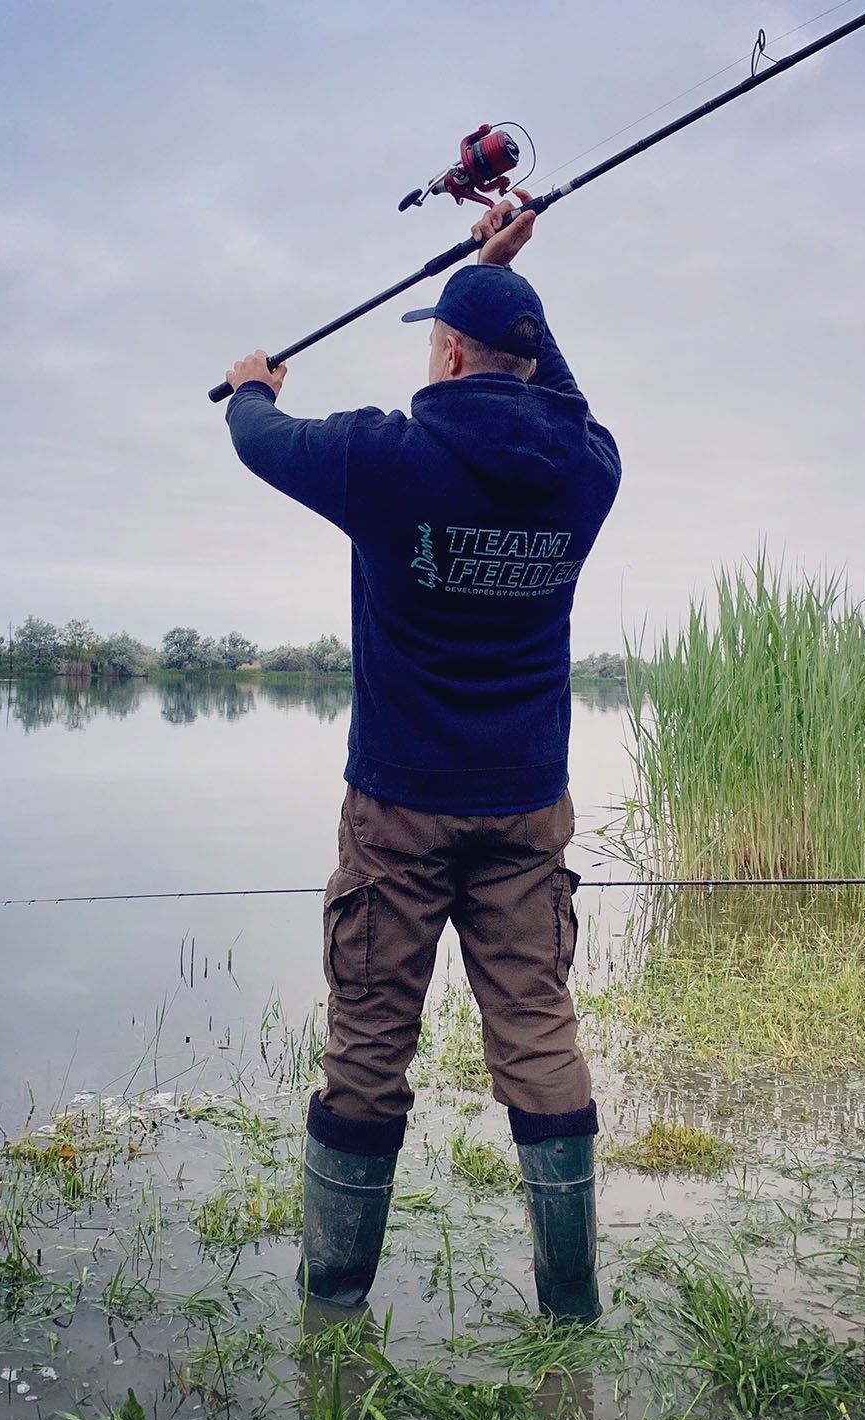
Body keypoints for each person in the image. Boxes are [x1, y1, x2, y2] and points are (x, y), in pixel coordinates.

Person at [223, 190, 620, 1322]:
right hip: (526, 812)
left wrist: (252, 378)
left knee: (367, 1052)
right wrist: (518, 288)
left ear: (446, 351)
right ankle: (571, 1303)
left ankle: (334, 1303)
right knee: (541, 1038)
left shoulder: (380, 457)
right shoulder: (590, 469)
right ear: (527, 362)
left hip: (396, 811)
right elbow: (568, 397)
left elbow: (259, 441)